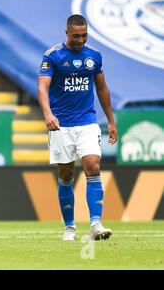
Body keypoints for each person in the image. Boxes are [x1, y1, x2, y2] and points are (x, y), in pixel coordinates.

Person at [37, 14, 118, 241]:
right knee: (66, 173)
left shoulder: (94, 56)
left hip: (87, 122)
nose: (81, 40)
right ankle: (70, 227)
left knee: (92, 166)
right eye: (76, 36)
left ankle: (96, 224)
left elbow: (102, 89)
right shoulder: (53, 56)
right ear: (66, 33)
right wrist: (48, 114)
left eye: (84, 35)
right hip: (60, 125)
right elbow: (42, 88)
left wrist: (111, 121)